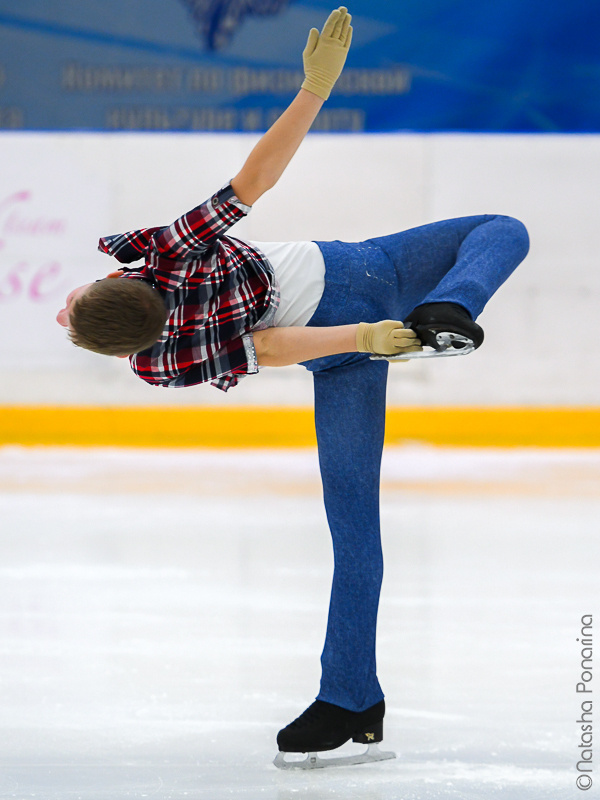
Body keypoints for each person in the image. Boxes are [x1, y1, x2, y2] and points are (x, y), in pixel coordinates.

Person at [56, 7, 530, 768]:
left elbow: (270, 349)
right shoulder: (168, 256)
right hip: (366, 275)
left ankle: (350, 699)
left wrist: (366, 343)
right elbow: (256, 179)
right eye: (72, 305)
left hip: (336, 356)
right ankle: (456, 306)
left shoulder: (156, 364)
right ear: (115, 284)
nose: (64, 307)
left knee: (355, 532)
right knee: (503, 228)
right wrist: (314, 90)